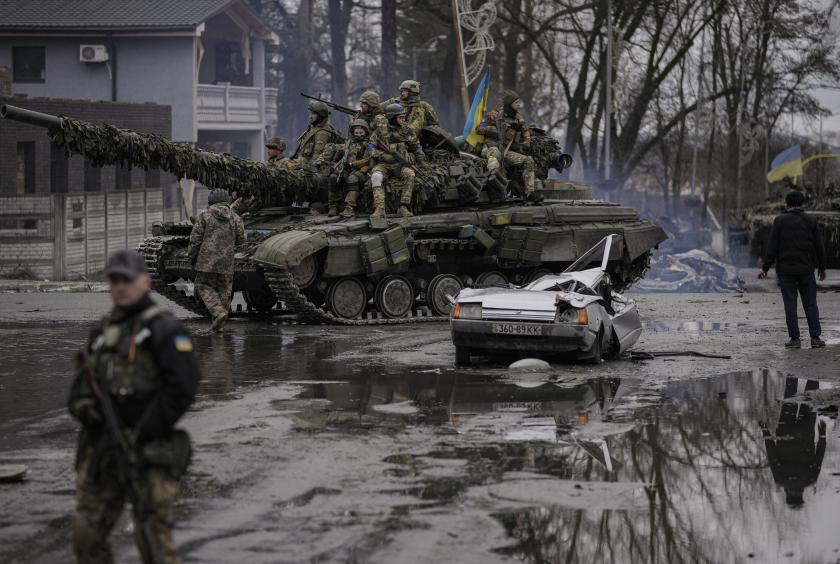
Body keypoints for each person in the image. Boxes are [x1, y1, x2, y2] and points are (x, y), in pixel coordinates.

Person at [68, 249, 200, 564]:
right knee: (86, 534)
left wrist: (144, 428)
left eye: (126, 280)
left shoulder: (164, 330)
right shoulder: (102, 333)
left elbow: (182, 388)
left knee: (154, 541)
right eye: (114, 281)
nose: (120, 287)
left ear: (145, 282)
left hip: (149, 450)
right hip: (104, 449)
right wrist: (90, 410)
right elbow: (80, 389)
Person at [759, 189, 826, 348]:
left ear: (786, 204)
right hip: (806, 270)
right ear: (802, 204)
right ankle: (815, 338)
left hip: (786, 271)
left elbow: (772, 246)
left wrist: (765, 268)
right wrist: (822, 268)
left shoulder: (780, 221)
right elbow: (819, 247)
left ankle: (795, 339)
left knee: (790, 304)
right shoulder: (811, 221)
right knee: (810, 304)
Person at [188, 188, 245, 332]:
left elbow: (195, 240)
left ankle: (218, 313)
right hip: (227, 262)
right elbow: (240, 241)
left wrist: (192, 257)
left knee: (203, 285)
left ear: (210, 201)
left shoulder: (204, 216)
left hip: (206, 261)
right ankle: (219, 322)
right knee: (224, 290)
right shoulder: (235, 217)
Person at [476, 90, 539, 201]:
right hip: (491, 147)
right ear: (510, 104)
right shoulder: (494, 114)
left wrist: (518, 139)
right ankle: (495, 189)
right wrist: (493, 130)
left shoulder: (519, 120)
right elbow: (479, 129)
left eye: (519, 103)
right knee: (495, 156)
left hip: (506, 150)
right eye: (516, 103)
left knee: (528, 160)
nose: (519, 105)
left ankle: (530, 193)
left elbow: (527, 139)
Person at [368, 103, 427, 218]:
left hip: (401, 163)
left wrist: (422, 162)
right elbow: (370, 147)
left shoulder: (406, 130)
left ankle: (403, 207)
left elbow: (416, 147)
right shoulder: (380, 130)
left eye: (403, 116)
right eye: (400, 117)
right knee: (376, 176)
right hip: (384, 164)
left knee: (410, 174)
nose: (403, 119)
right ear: (391, 118)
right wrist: (383, 155)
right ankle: (379, 209)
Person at [319, 119, 373, 217]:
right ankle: (333, 207)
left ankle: (349, 208)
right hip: (347, 168)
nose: (359, 135)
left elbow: (368, 160)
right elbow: (340, 156)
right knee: (333, 177)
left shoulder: (369, 145)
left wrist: (353, 164)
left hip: (363, 171)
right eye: (356, 133)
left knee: (352, 179)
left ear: (366, 132)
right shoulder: (349, 143)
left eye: (361, 132)